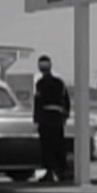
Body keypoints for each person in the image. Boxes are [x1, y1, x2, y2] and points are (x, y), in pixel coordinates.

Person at [33, 55, 71, 183]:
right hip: (57, 117)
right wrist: (65, 115)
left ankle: (52, 171)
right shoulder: (59, 83)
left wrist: (37, 119)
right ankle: (61, 171)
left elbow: (38, 102)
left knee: (47, 146)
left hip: (46, 117)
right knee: (57, 144)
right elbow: (66, 101)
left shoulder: (40, 84)